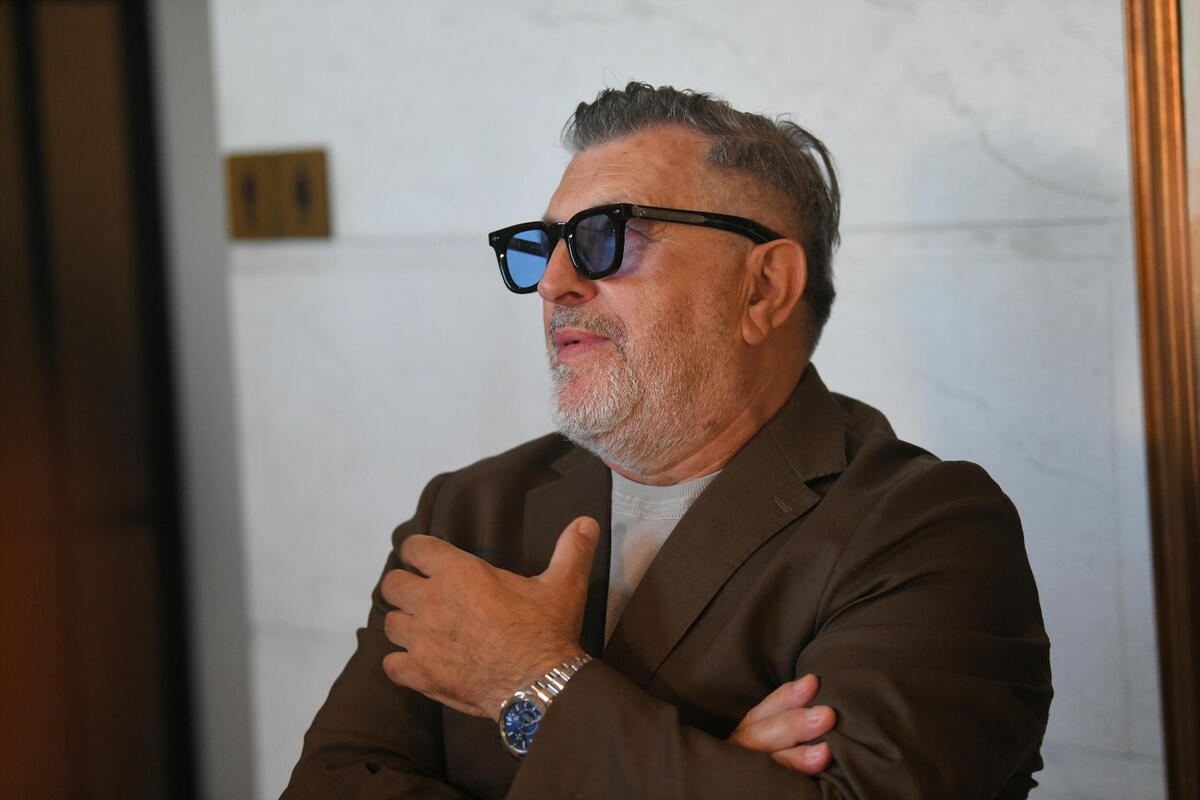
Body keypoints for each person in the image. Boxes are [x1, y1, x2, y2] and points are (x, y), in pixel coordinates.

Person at [282, 82, 1052, 799]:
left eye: (604, 238)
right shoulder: (469, 512)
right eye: (546, 245)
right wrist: (716, 767)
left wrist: (535, 685)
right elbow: (330, 784)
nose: (552, 284)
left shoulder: (925, 531)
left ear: (763, 287)